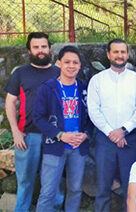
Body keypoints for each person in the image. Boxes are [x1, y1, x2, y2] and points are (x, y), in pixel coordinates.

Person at [87, 39, 136, 211]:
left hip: (130, 140)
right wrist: (111, 133)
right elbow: (93, 110)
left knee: (131, 189)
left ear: (127, 54)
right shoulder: (97, 80)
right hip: (104, 140)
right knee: (102, 188)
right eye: (115, 52)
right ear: (108, 55)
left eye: (123, 52)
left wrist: (123, 130)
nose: (119, 55)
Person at [4, 32, 60, 211]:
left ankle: (55, 209)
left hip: (55, 137)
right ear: (29, 50)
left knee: (54, 182)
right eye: (36, 47)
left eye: (44, 46)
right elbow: (10, 102)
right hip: (28, 137)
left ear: (49, 48)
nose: (40, 51)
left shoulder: (60, 72)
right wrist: (15, 131)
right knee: (25, 181)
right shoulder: (21, 73)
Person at [33, 46, 90, 211]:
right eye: (67, 62)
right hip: (55, 145)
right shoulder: (48, 88)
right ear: (58, 63)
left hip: (78, 147)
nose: (71, 66)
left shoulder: (84, 87)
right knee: (48, 191)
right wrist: (59, 135)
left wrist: (86, 134)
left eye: (75, 62)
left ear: (80, 65)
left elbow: (92, 116)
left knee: (75, 189)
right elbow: (38, 118)